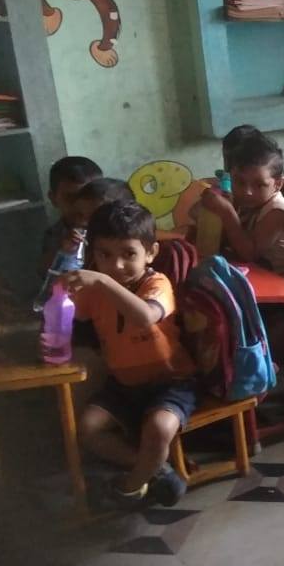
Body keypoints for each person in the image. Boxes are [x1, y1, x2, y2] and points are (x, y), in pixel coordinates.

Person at [63, 201, 197, 510]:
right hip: (123, 386)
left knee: (159, 429)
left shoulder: (156, 283)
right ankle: (157, 469)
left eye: (128, 254)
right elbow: (66, 311)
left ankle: (128, 488)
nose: (117, 265)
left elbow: (145, 316)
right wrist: (66, 266)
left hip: (171, 383)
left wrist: (102, 281)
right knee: (86, 429)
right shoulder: (95, 290)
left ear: (150, 253)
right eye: (105, 255)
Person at [198, 132, 284, 279]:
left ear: (278, 184)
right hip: (264, 275)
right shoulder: (247, 201)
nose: (248, 192)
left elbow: (249, 254)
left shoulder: (277, 212)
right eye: (240, 182)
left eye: (259, 185)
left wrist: (227, 212)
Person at [40, 155, 103, 275]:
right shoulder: (55, 234)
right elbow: (44, 273)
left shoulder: (112, 226)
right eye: (71, 198)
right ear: (53, 199)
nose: (80, 205)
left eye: (89, 197)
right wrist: (62, 251)